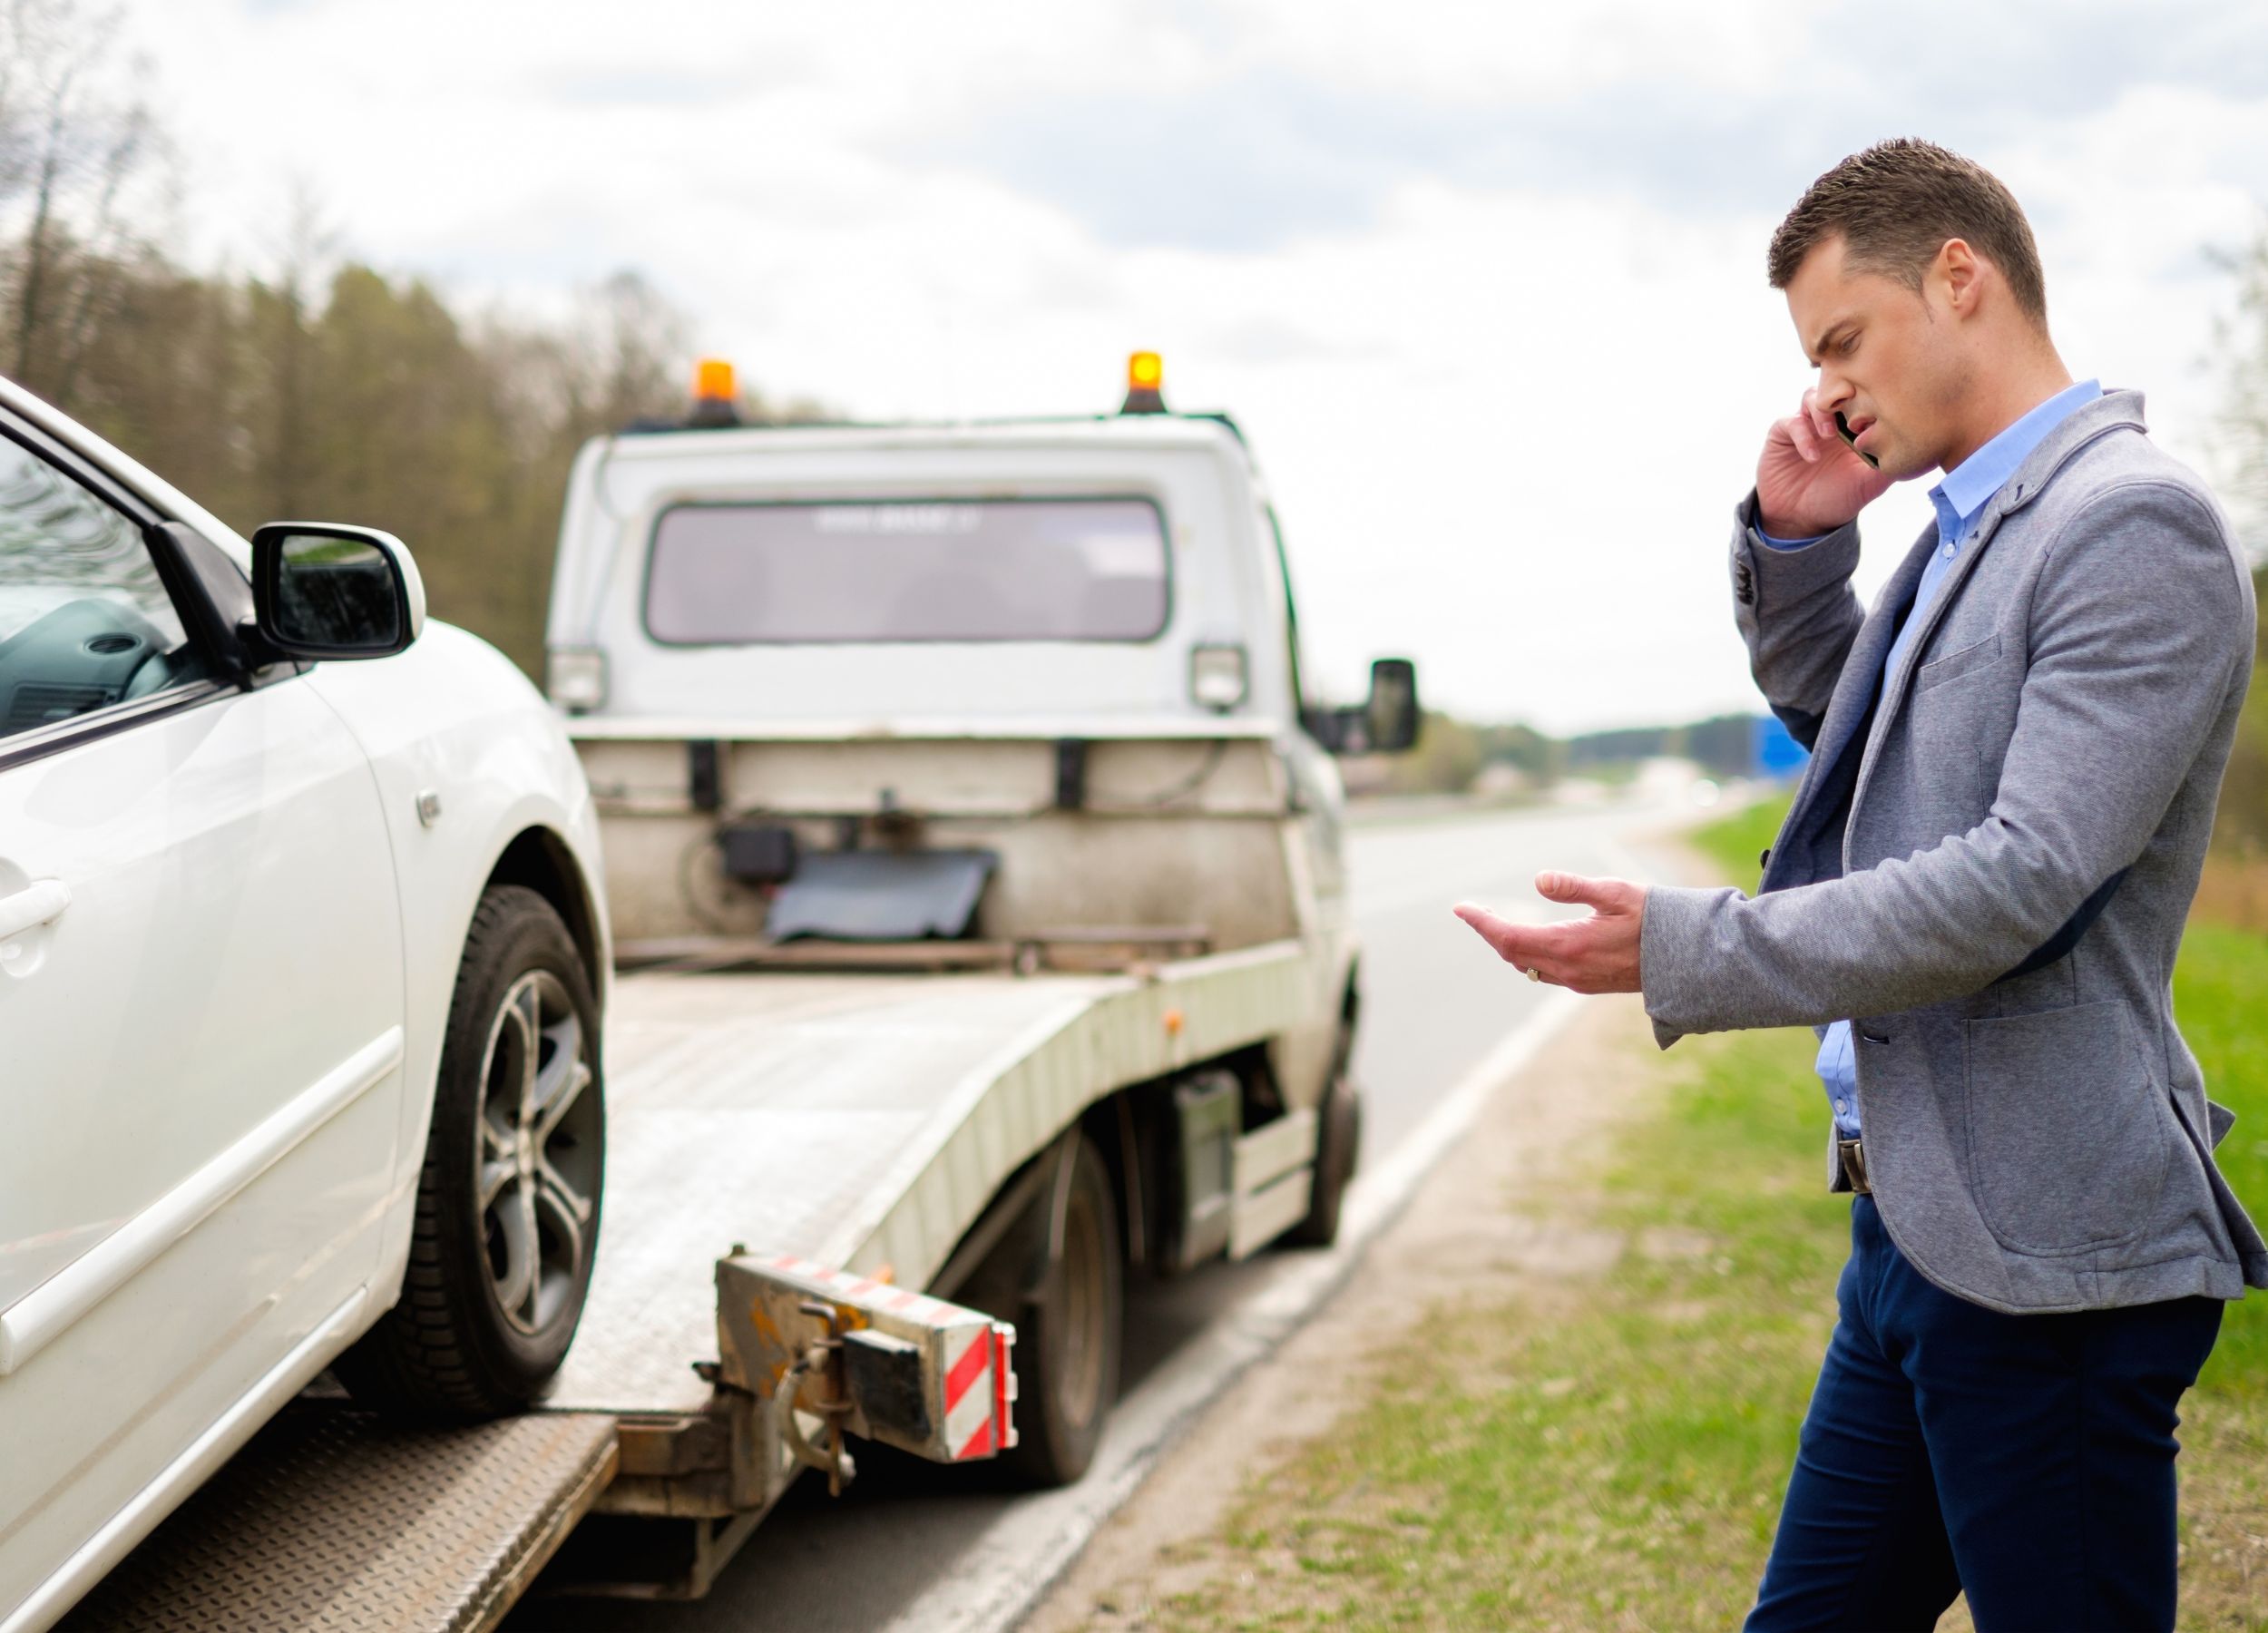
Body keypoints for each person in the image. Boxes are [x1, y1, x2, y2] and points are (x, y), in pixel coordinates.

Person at [1454, 138, 2264, 1631]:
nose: (1829, 389)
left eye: (1843, 341)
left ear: (1959, 277)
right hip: (1915, 1231)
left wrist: (1686, 948)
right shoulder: (1970, 525)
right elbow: (1872, 753)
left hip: (2050, 1262)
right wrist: (1803, 544)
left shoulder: (2127, 525)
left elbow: (2015, 880)